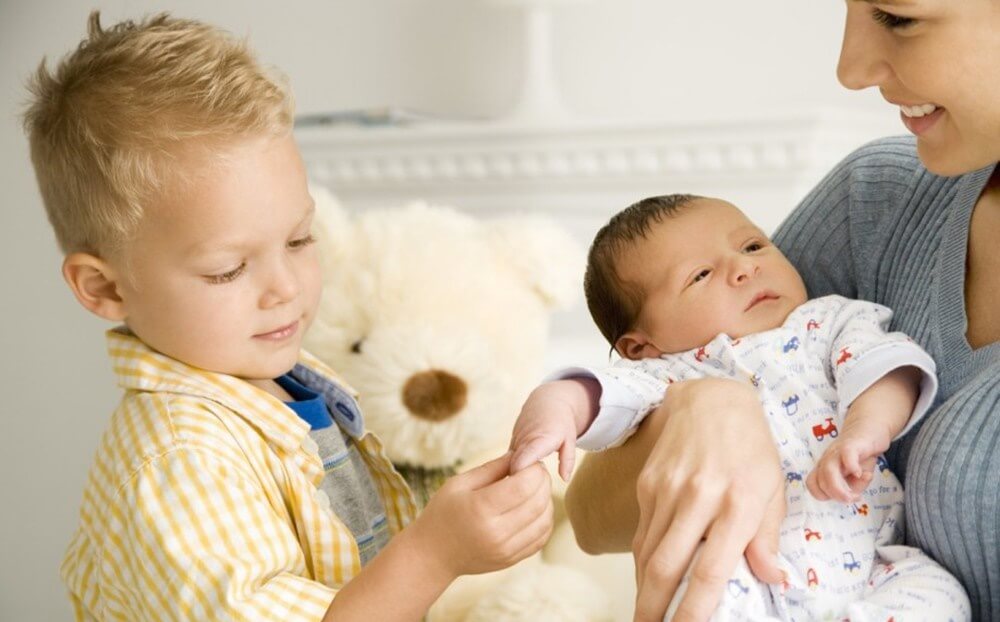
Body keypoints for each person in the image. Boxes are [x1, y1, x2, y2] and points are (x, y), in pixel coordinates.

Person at [24, 13, 553, 621]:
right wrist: (433, 555)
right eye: (227, 269)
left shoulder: (289, 384)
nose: (285, 287)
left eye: (300, 240)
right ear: (105, 288)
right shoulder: (181, 462)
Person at [552, 2, 1000, 621]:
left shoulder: (836, 318)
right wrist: (704, 404)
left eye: (897, 15)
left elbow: (880, 361)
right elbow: (588, 515)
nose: (849, 69)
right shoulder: (874, 203)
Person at [509, 194, 970, 620]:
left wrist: (866, 430)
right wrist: (554, 409)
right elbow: (594, 396)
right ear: (640, 345)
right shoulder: (666, 375)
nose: (744, 269)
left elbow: (884, 367)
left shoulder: (827, 321)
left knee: (940, 595)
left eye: (751, 246)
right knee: (703, 594)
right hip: (740, 563)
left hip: (875, 562)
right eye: (701, 275)